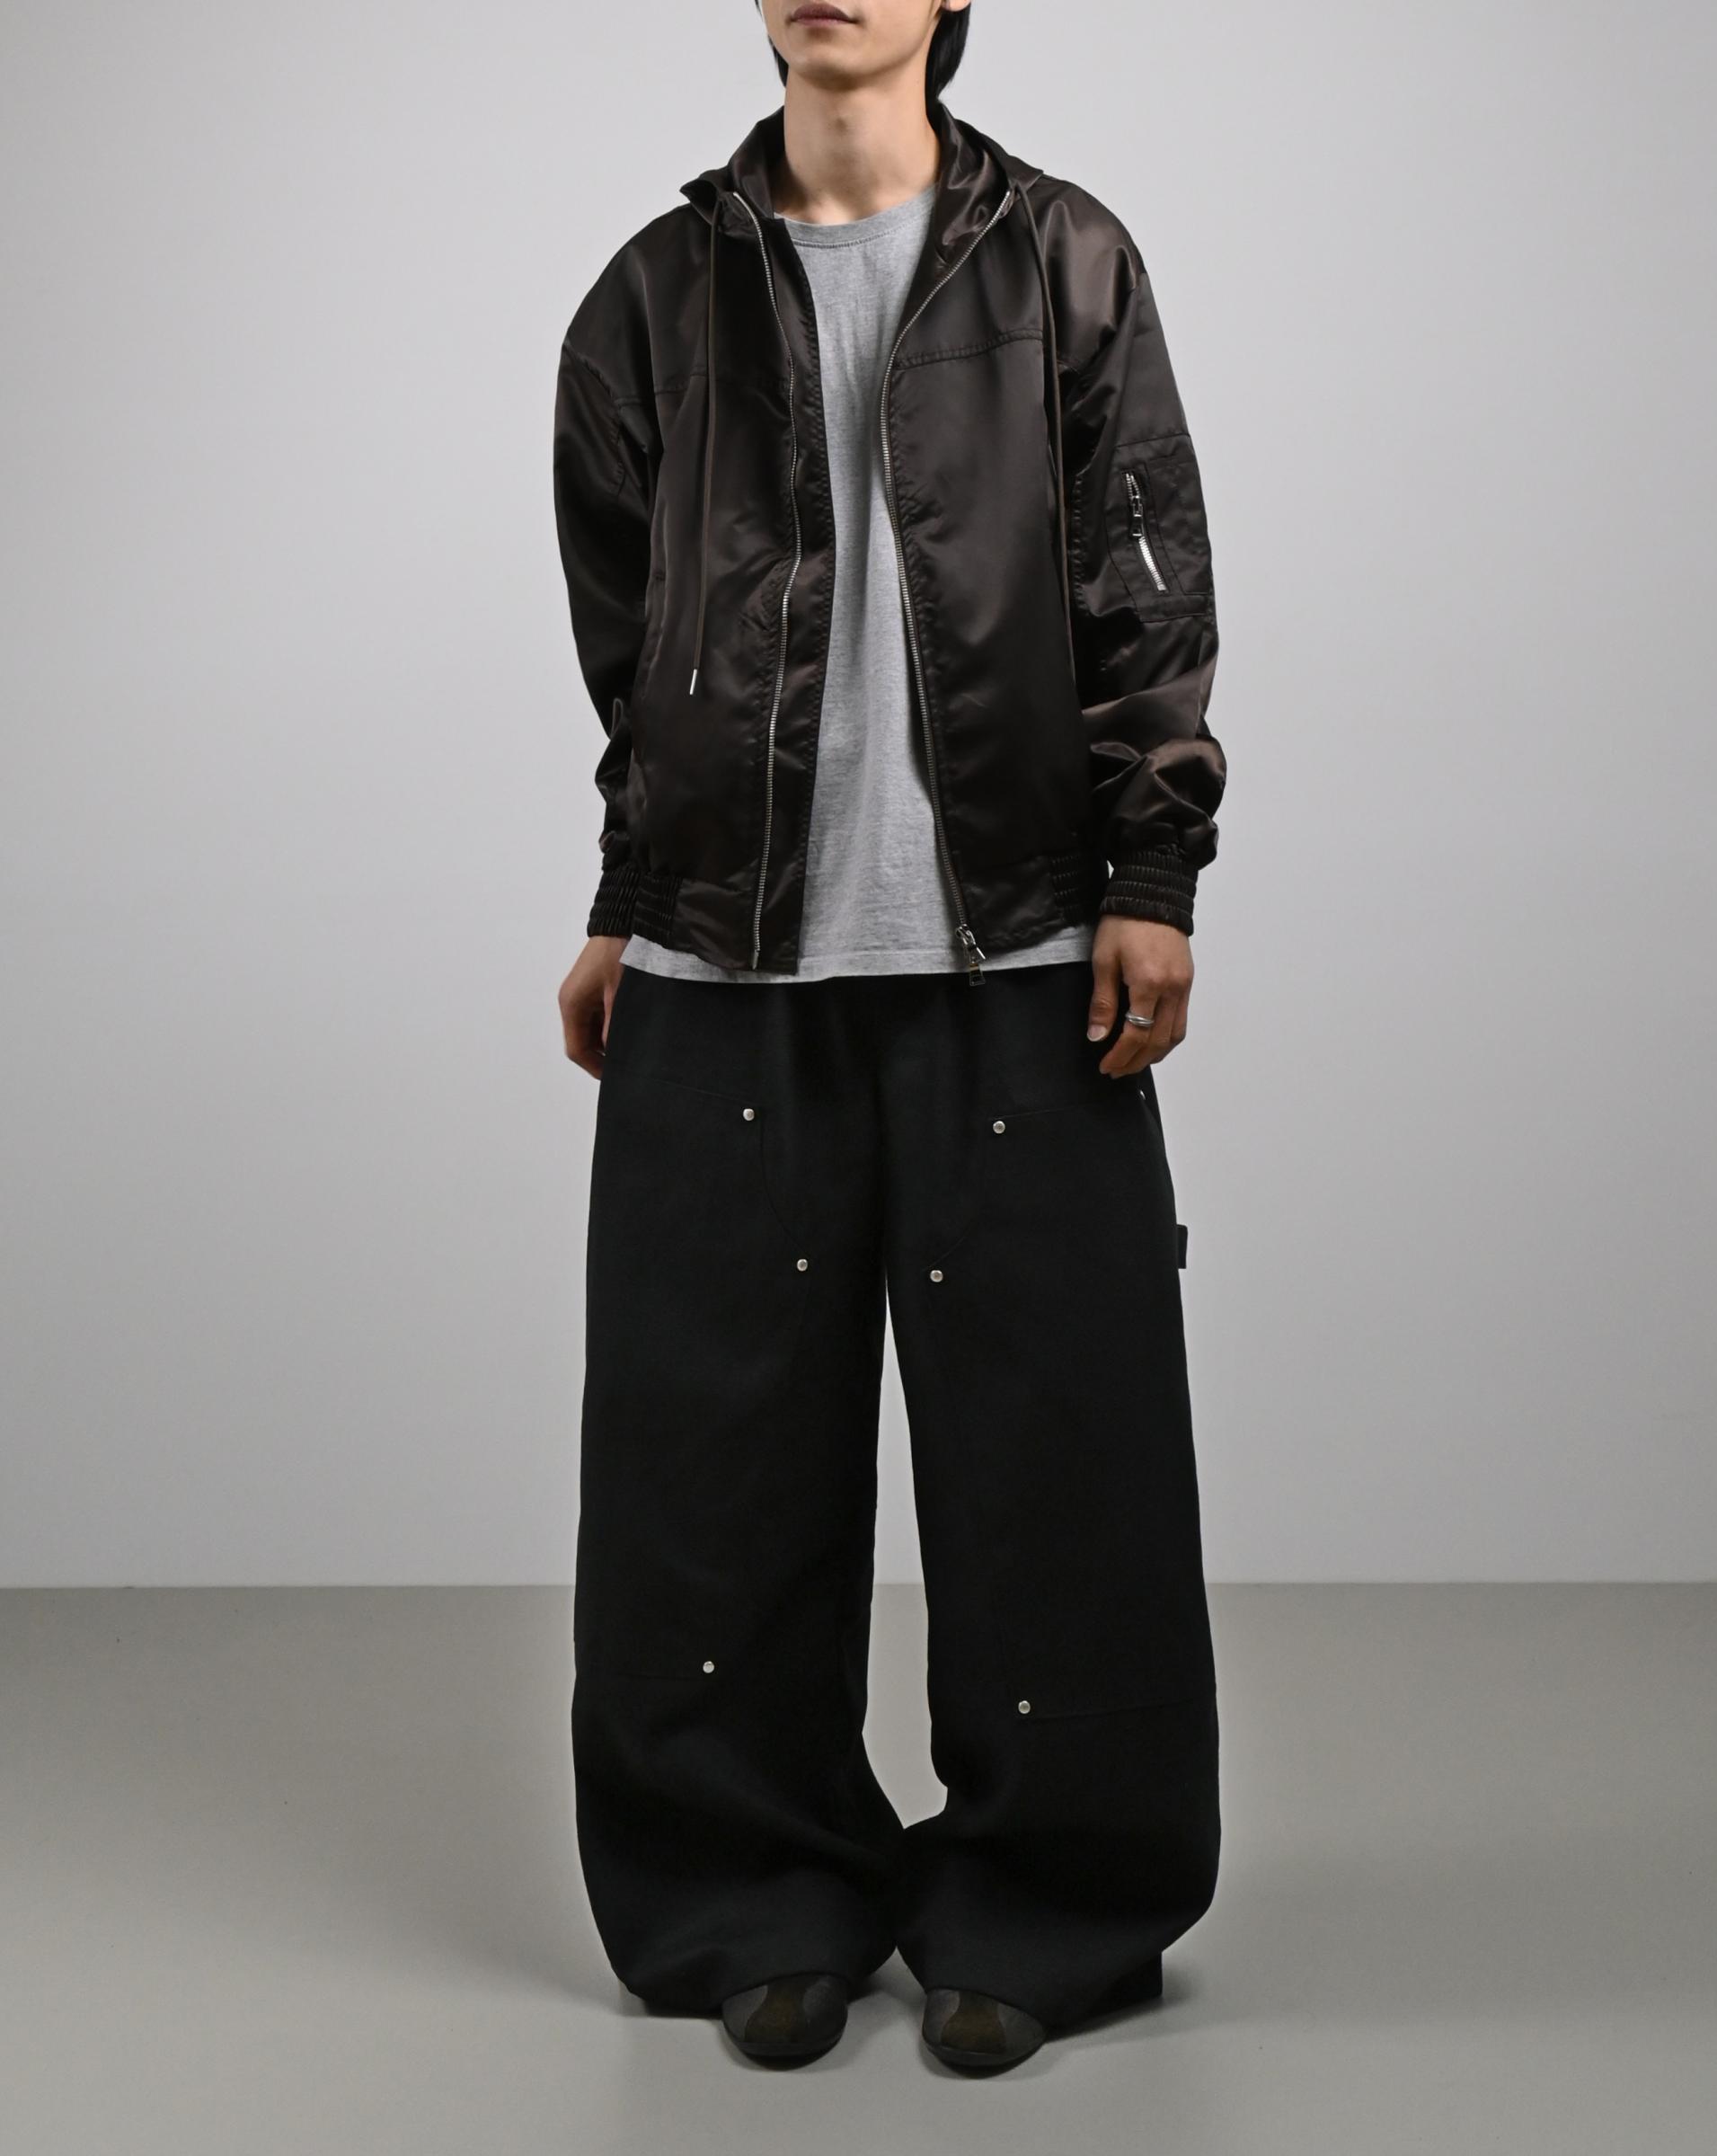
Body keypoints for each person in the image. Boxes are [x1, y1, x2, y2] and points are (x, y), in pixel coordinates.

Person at [553, 0, 1226, 2074]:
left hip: (1016, 945)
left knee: (1058, 1457)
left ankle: (1047, 1906)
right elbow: (630, 639)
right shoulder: (654, 292)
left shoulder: (1065, 259)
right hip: (721, 960)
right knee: (708, 1467)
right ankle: (750, 1896)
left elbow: (1144, 576)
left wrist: (1153, 873)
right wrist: (624, 896)